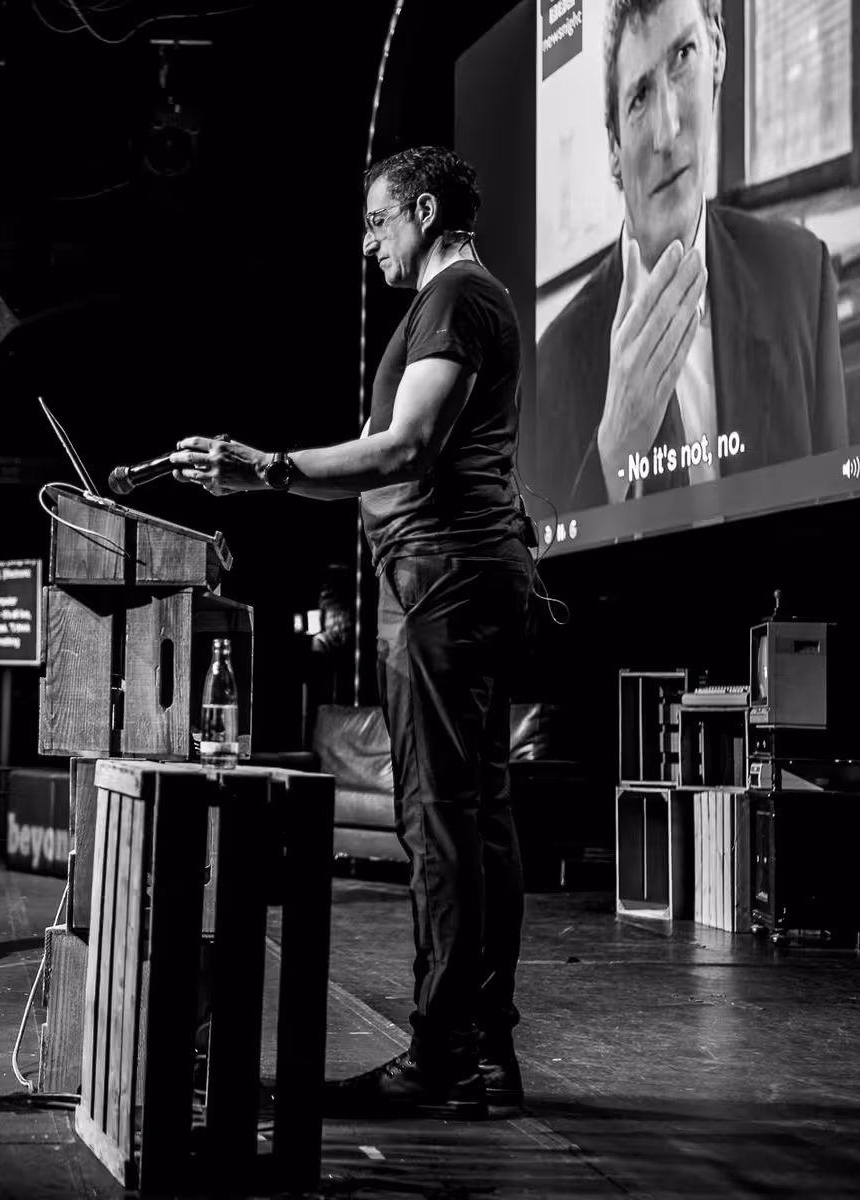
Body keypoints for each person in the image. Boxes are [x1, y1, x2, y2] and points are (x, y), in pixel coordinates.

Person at [169, 145, 530, 1119]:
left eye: (377, 221)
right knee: (477, 820)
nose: (368, 242)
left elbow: (408, 446)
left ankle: (443, 1057)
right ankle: (483, 1050)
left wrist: (266, 468)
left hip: (444, 584)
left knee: (443, 824)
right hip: (460, 580)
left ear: (421, 209)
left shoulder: (454, 301)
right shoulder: (467, 299)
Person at [533, 0, 847, 511]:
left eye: (683, 56)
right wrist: (613, 451)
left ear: (718, 54)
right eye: (638, 97)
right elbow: (539, 580)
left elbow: (842, 522)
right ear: (613, 144)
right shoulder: (550, 367)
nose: (667, 131)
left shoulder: (801, 275)